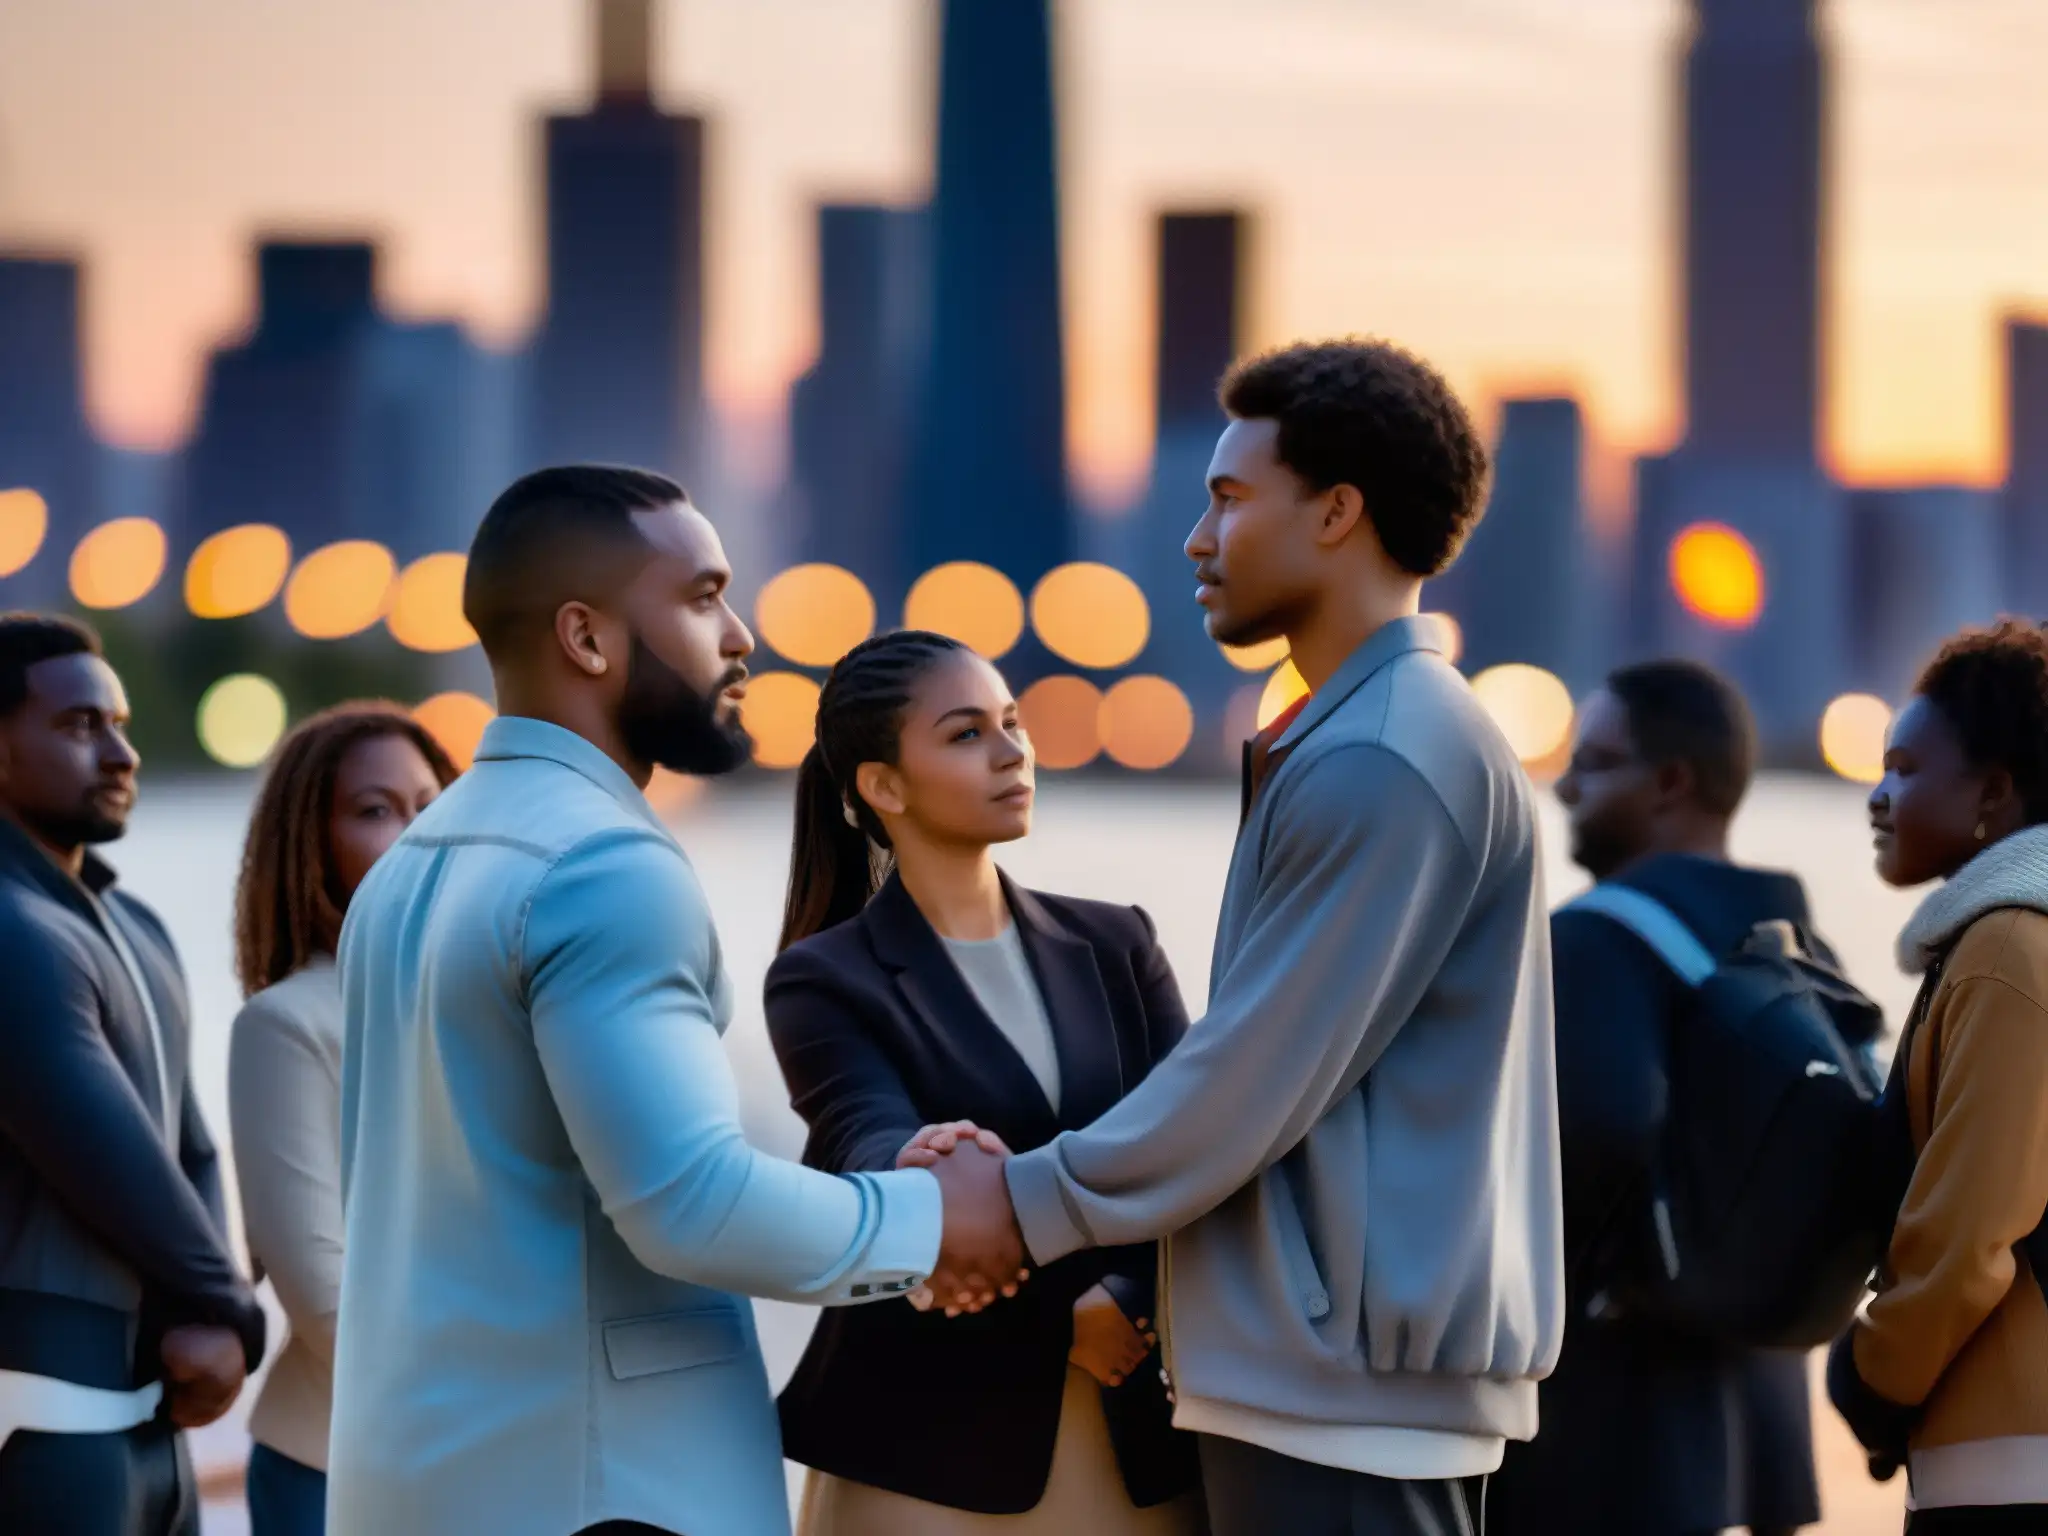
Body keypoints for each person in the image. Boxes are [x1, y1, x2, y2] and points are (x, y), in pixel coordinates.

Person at [910, 339, 1565, 1536]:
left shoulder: (1384, 755)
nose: (1194, 539)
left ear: (1334, 513)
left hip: (1340, 1396)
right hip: (1333, 1382)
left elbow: (1250, 1074)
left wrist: (1017, 1201)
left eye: (1226, 498)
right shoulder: (1369, 733)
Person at [330, 466, 1024, 1536]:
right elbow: (690, 1204)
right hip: (605, 1494)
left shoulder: (408, 868)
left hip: (413, 1489)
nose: (741, 636)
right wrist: (938, 1217)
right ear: (587, 638)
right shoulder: (603, 865)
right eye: (702, 598)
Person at [766, 629, 1206, 1536]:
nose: (1014, 752)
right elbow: (864, 1144)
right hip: (925, 1459)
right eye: (966, 734)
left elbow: (1200, 1147)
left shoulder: (1118, 945)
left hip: (1136, 1446)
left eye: (1012, 723)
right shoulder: (823, 979)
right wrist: (1052, 1314)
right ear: (882, 787)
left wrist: (1122, 1300)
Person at [1488, 659, 1838, 1536]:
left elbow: (1600, 1121)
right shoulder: (1798, 949)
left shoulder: (1598, 936)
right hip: (1759, 1432)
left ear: (1671, 782)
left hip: (1608, 1434)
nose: (1564, 783)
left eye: (1596, 761)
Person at [0, 613, 266, 1535]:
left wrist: (208, 1317)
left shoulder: (134, 926)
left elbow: (189, 1146)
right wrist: (234, 1311)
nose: (121, 753)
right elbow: (99, 1147)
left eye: (119, 725)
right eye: (80, 727)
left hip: (158, 1411)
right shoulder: (9, 931)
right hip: (36, 1411)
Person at [1829, 618, 2048, 1531]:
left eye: (1906, 770)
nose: (1878, 796)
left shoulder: (2005, 949)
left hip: (2009, 1465)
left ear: (1994, 792)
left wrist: (1869, 1375)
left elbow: (1967, 1236)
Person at [227, 704, 458, 1535]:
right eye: (375, 811)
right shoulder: (288, 1025)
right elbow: (322, 1292)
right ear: (311, 844)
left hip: (500, 1463)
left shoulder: (499, 1007)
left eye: (432, 808)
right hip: (339, 1470)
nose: (417, 835)